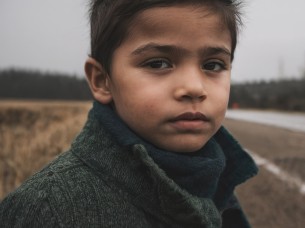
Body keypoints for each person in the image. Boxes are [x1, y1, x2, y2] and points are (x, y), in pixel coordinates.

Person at [0, 0, 258, 227]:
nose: (194, 87)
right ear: (102, 81)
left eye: (213, 65)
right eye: (158, 63)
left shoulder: (213, 181)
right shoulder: (47, 210)